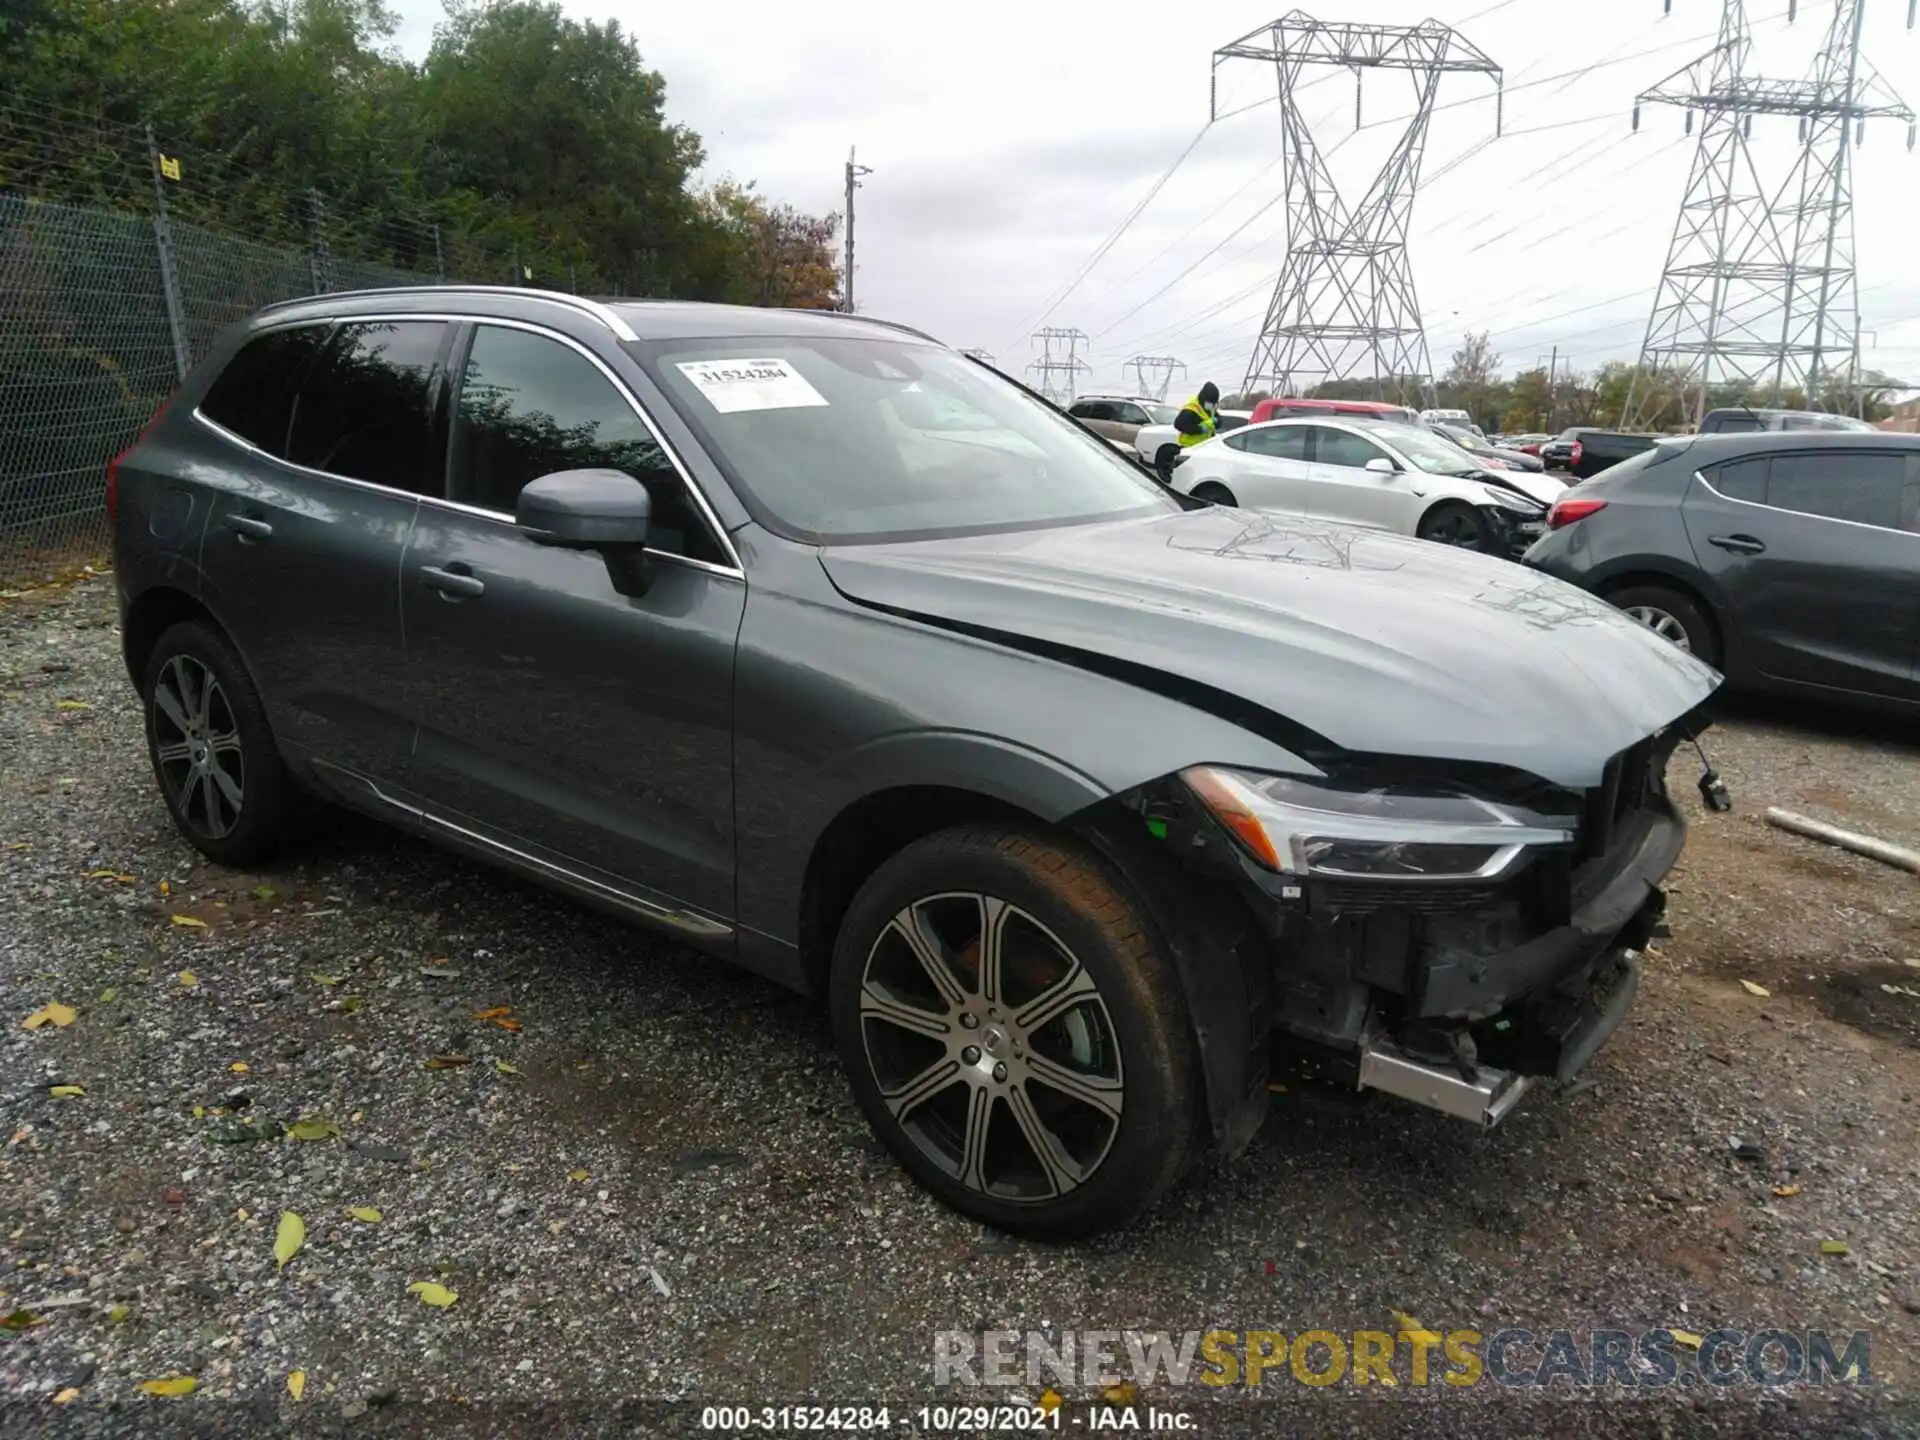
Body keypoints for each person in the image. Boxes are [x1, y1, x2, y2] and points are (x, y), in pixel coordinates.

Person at [1175, 383, 1220, 448]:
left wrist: (1217, 422)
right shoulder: (1191, 408)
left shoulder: (1210, 407)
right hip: (1188, 447)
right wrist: (1199, 429)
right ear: (1204, 399)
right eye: (1210, 403)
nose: (1212, 405)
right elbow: (1179, 424)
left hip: (1203, 446)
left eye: (1214, 403)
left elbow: (1218, 420)